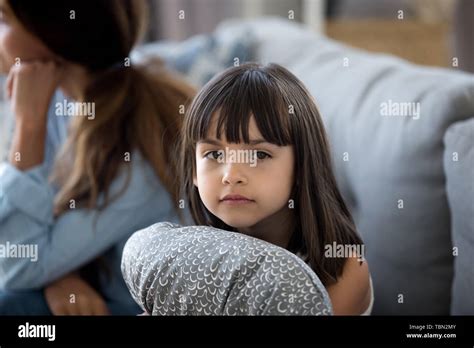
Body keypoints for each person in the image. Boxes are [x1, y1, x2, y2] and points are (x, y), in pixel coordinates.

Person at [0, 0, 194, 315]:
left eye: (3, 19)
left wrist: (28, 126)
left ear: (53, 33)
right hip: (91, 279)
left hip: (137, 306)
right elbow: (31, 230)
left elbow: (17, 263)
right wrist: (61, 273)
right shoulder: (54, 96)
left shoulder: (140, 144)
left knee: (10, 304)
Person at [178, 62, 373, 315]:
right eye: (214, 154)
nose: (231, 176)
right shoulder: (194, 257)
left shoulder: (343, 269)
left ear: (304, 163)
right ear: (194, 170)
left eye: (259, 154)